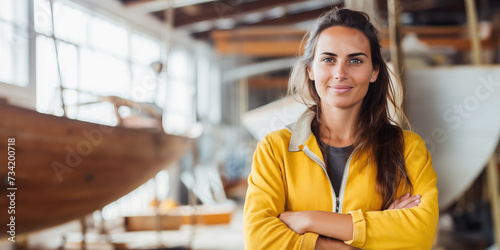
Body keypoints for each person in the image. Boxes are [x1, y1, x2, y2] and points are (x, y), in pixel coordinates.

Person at [243, 7, 439, 250]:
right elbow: (259, 239)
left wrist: (309, 220)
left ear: (374, 72)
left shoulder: (407, 149)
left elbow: (419, 234)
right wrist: (360, 239)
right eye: (328, 59)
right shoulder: (274, 150)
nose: (340, 73)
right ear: (311, 70)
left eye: (355, 60)